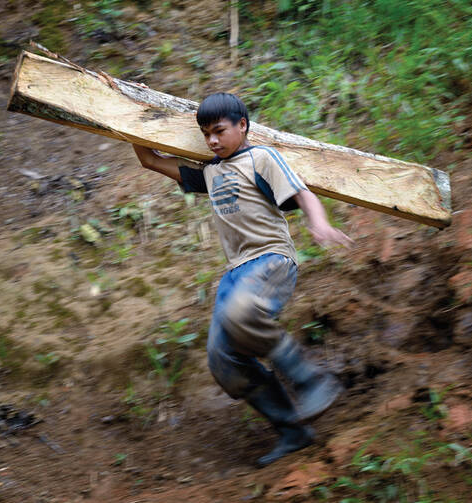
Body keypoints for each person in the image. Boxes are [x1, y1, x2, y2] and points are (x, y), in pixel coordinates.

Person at [132, 92, 352, 467]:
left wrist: (319, 224)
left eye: (219, 131)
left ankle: (311, 380)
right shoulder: (209, 172)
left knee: (240, 314)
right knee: (223, 363)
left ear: (242, 126)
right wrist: (128, 122)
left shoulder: (262, 158)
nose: (213, 141)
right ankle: (293, 431)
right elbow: (150, 160)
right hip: (236, 273)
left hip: (270, 260)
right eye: (206, 135)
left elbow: (303, 193)